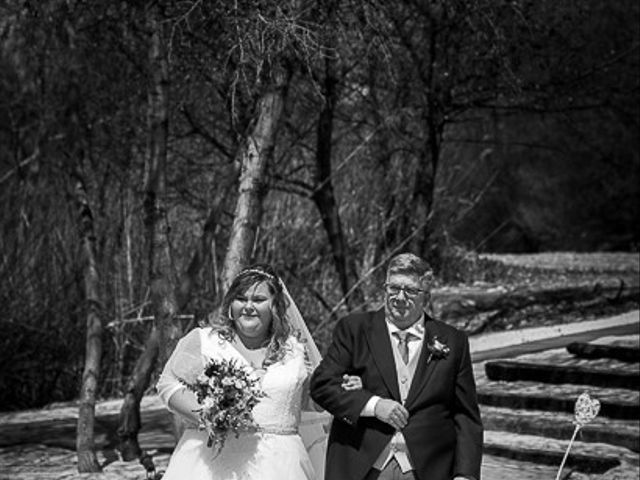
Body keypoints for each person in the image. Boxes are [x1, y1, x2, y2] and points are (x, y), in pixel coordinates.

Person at [157, 264, 360, 479]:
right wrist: (206, 414)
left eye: (259, 300)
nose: (248, 306)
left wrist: (341, 389)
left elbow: (309, 401)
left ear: (275, 306)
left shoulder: (295, 350)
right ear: (230, 304)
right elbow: (168, 383)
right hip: (210, 464)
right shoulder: (205, 340)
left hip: (280, 464)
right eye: (241, 299)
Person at [310, 253, 484, 480]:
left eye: (411, 291)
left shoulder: (453, 341)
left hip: (428, 470)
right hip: (363, 467)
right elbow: (322, 385)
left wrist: (465, 475)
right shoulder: (355, 330)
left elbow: (465, 416)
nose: (400, 297)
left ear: (427, 297)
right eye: (393, 288)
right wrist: (374, 405)